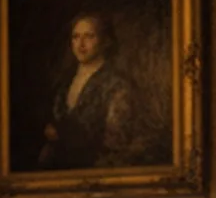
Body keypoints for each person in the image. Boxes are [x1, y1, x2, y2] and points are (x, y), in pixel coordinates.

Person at [34, 10, 160, 171]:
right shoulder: (64, 83)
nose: (81, 44)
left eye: (89, 36)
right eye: (76, 37)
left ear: (105, 41)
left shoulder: (117, 84)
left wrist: (65, 137)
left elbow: (116, 142)